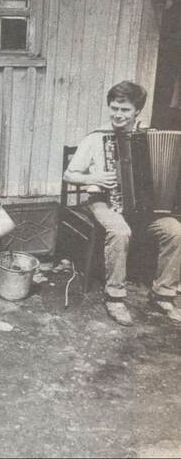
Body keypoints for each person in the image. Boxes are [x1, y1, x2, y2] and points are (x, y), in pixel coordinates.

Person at [64, 81, 181, 326]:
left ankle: (163, 293)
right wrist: (93, 177)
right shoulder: (97, 138)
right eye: (114, 108)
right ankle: (114, 297)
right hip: (103, 202)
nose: (118, 114)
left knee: (175, 231)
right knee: (120, 231)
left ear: (137, 111)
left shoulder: (147, 136)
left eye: (125, 110)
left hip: (146, 209)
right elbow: (70, 174)